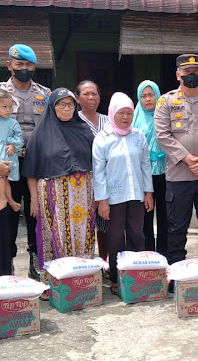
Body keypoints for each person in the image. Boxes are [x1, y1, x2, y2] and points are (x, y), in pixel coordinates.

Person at [154, 54, 198, 292]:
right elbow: (163, 134)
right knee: (176, 227)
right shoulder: (166, 101)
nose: (191, 75)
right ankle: (176, 273)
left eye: (195, 71)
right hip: (179, 176)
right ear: (178, 75)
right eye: (186, 72)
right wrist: (187, 158)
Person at [22, 88, 95, 297]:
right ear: (52, 107)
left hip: (83, 196)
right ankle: (54, 283)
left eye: (70, 104)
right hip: (53, 198)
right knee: (56, 238)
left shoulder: (83, 130)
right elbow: (31, 170)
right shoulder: (42, 133)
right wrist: (34, 200)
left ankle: (82, 280)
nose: (66, 108)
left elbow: (96, 164)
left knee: (82, 238)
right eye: (61, 104)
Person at [92, 92, 154, 295]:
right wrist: (101, 200)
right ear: (112, 113)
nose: (125, 117)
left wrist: (148, 192)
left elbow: (146, 165)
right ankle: (117, 278)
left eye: (129, 113)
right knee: (116, 236)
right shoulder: (103, 138)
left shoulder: (138, 136)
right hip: (113, 198)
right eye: (121, 113)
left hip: (136, 194)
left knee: (137, 234)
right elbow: (98, 171)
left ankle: (137, 275)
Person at [0, 44, 50, 280]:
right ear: (9, 65)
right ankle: (6, 263)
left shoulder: (45, 94)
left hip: (36, 165)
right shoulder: (1, 93)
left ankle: (34, 260)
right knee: (7, 215)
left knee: (35, 214)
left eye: (28, 65)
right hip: (7, 166)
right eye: (19, 65)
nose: (24, 69)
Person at [76, 80, 110, 274]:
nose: (91, 97)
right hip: (83, 181)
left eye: (94, 94)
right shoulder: (74, 121)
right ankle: (85, 265)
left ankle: (105, 261)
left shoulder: (109, 120)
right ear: (77, 98)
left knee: (105, 223)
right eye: (86, 94)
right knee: (85, 223)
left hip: (108, 179)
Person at [133, 80, 168, 257]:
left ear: (157, 95)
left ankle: (164, 256)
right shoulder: (134, 119)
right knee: (145, 219)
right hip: (143, 175)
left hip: (166, 173)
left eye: (151, 94)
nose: (148, 99)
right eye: (143, 96)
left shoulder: (165, 115)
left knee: (165, 217)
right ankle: (148, 257)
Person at [0, 90, 24, 213]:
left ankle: (10, 201)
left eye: (10, 107)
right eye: (4, 107)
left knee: (4, 181)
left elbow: (20, 139)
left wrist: (14, 145)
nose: (8, 110)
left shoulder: (13, 123)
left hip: (8, 158)